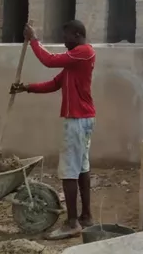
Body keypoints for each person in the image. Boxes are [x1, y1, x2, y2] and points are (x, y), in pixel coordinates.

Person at [10, 20, 96, 240]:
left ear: (77, 35)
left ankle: (72, 223)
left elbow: (48, 60)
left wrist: (33, 39)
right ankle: (86, 217)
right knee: (81, 168)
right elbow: (54, 83)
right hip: (82, 119)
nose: (64, 41)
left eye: (66, 36)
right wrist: (27, 88)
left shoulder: (83, 52)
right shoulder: (74, 61)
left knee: (69, 171)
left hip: (77, 120)